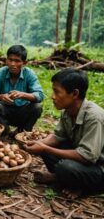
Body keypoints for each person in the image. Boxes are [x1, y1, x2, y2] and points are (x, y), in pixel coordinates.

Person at [25, 68, 104, 198]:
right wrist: (39, 144)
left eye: (57, 92)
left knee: (65, 167)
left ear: (74, 93)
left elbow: (87, 156)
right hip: (83, 160)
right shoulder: (67, 110)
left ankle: (79, 186)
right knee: (47, 150)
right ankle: (60, 178)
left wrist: (45, 148)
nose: (52, 96)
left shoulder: (94, 117)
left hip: (98, 168)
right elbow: (58, 136)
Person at [0, 45, 44, 138]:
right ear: (6, 60)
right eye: (10, 60)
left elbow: (40, 95)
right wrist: (1, 97)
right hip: (5, 110)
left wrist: (23, 95)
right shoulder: (0, 73)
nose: (13, 64)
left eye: (17, 61)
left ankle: (23, 132)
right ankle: (5, 130)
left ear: (24, 62)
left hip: (23, 112)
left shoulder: (29, 74)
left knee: (37, 107)